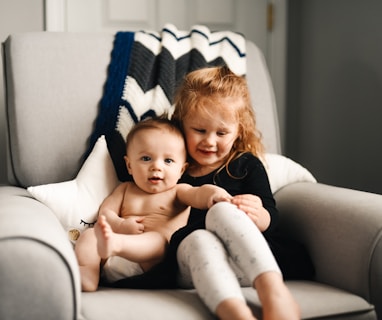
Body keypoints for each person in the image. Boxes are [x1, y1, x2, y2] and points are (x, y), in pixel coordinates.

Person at [167, 65, 301, 320]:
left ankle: (273, 291)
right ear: (181, 124)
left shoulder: (246, 165)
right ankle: (235, 313)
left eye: (221, 133)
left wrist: (259, 215)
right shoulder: (172, 166)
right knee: (200, 239)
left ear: (238, 130)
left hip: (244, 262)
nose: (209, 141)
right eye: (199, 130)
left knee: (222, 210)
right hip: (194, 263)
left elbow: (270, 214)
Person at [75, 116, 232, 292]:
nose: (156, 167)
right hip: (110, 255)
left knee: (159, 240)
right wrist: (120, 224)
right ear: (129, 165)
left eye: (168, 161)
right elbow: (105, 213)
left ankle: (116, 244)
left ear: (181, 170)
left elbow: (198, 194)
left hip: (150, 264)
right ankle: (87, 273)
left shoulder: (178, 191)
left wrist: (215, 194)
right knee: (89, 235)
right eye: (146, 158)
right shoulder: (125, 189)